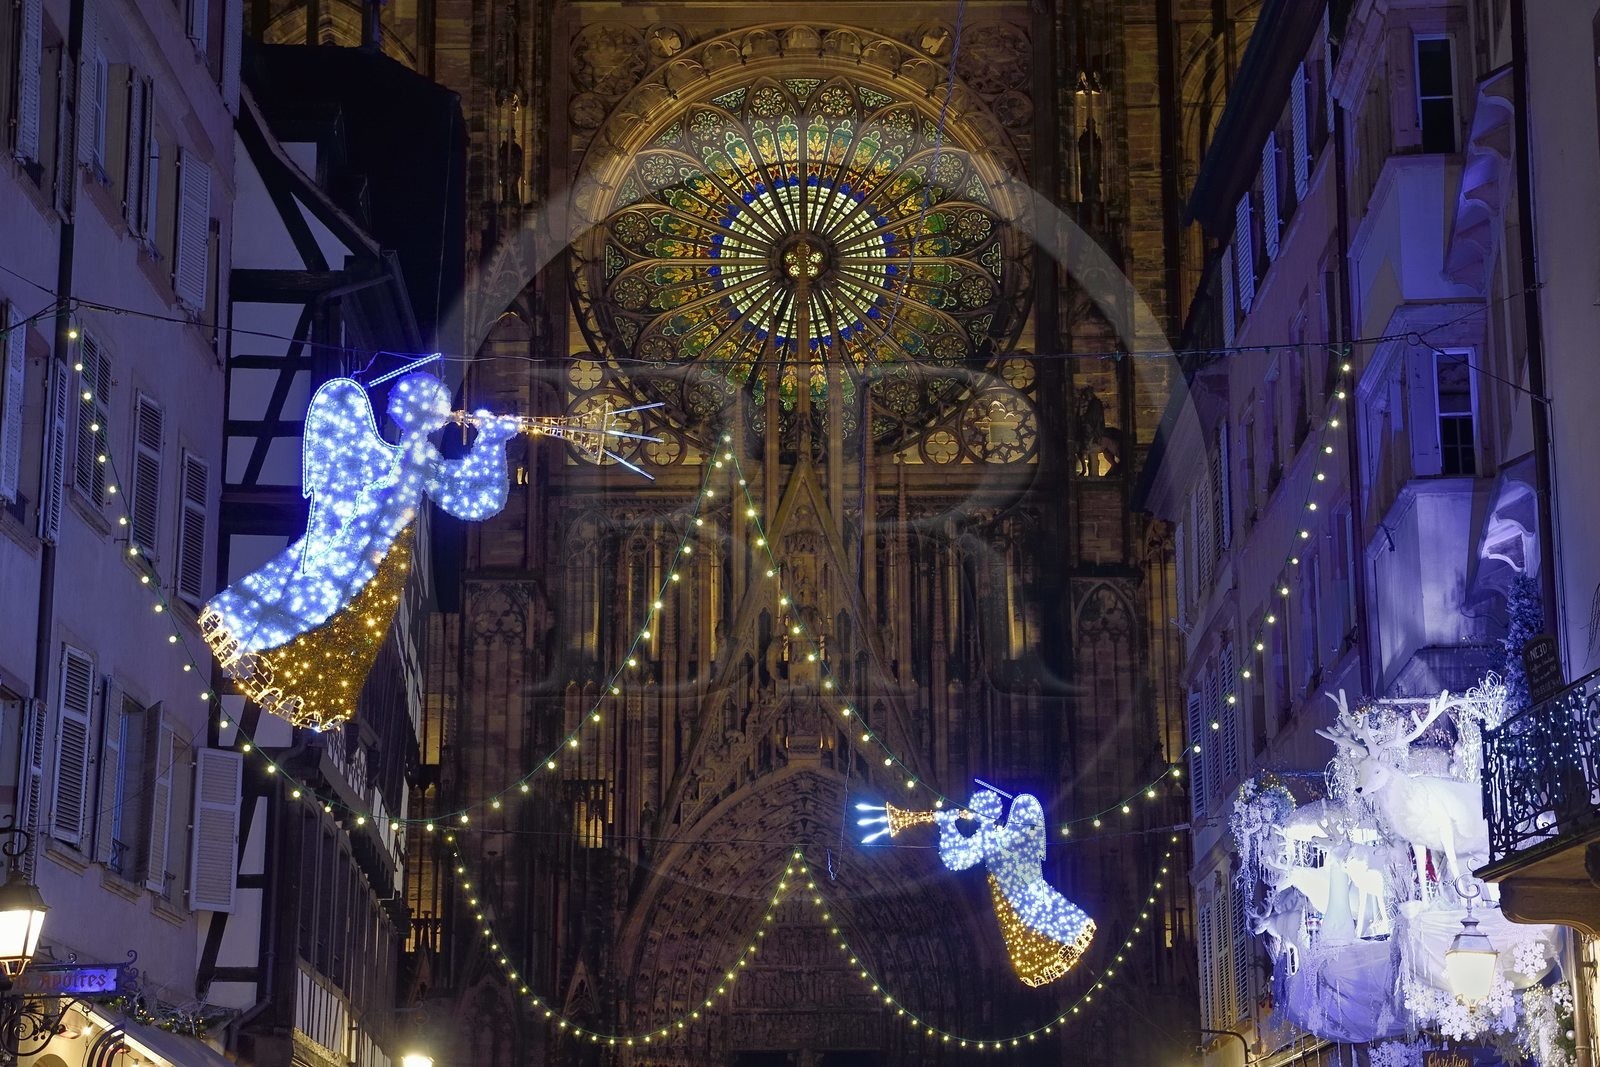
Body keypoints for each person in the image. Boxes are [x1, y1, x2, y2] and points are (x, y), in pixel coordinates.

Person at [201, 373, 521, 728]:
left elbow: (472, 499)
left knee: (330, 620)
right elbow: (469, 498)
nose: (443, 413)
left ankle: (292, 669)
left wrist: (493, 442)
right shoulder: (409, 455)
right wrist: (492, 442)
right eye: (434, 406)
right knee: (319, 609)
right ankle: (278, 661)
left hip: (380, 555)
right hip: (369, 550)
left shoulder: (416, 455)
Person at [935, 788, 1097, 987]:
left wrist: (947, 824)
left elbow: (958, 857)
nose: (972, 816)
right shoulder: (991, 836)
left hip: (1018, 896)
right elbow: (957, 858)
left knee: (1038, 930)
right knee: (1033, 934)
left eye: (976, 812)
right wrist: (947, 825)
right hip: (1013, 900)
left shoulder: (997, 835)